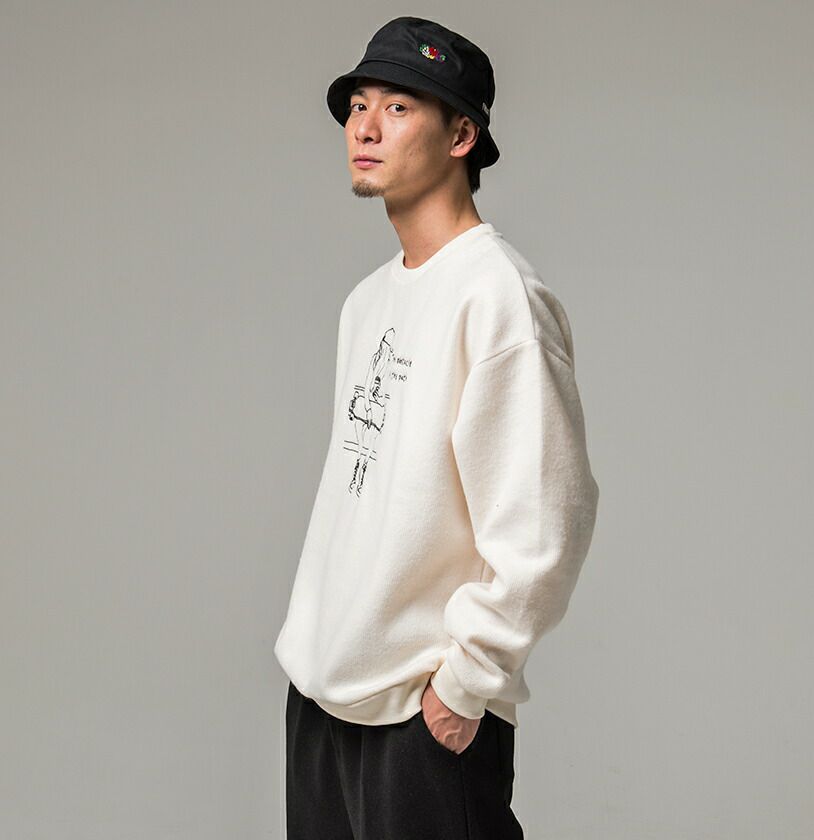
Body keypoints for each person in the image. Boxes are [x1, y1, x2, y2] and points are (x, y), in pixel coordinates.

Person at [274, 15, 600, 839]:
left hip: (421, 719)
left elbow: (547, 521)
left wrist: (466, 686)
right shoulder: (367, 302)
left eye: (398, 107)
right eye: (358, 106)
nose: (366, 127)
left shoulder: (498, 298)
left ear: (462, 135)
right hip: (323, 699)